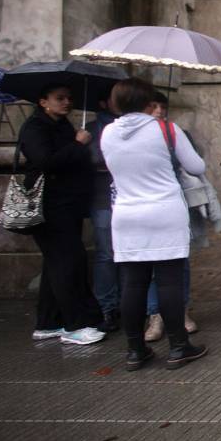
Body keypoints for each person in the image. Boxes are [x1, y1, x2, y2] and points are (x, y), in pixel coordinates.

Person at [101, 78, 206, 370]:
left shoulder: (107, 132)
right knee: (169, 282)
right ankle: (178, 346)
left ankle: (135, 350)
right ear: (149, 102)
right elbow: (197, 166)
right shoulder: (166, 129)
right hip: (164, 212)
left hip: (125, 215)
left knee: (132, 284)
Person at [19, 84, 105, 345]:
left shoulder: (62, 125)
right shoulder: (35, 128)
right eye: (60, 98)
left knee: (56, 263)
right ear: (43, 101)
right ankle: (76, 323)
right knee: (68, 262)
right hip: (50, 206)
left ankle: (48, 322)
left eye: (69, 98)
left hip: (67, 204)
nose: (67, 102)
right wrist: (78, 145)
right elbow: (46, 161)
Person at [143, 91, 198, 341]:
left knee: (179, 261)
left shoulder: (173, 132)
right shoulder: (124, 134)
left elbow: (195, 164)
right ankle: (155, 314)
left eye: (162, 106)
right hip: (142, 208)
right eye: (152, 106)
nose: (158, 111)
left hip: (172, 202)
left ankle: (180, 310)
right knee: (149, 266)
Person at [86, 96, 121, 333]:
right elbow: (92, 160)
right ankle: (106, 306)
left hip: (127, 198)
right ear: (103, 103)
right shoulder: (92, 130)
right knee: (107, 254)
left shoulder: (129, 127)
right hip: (102, 199)